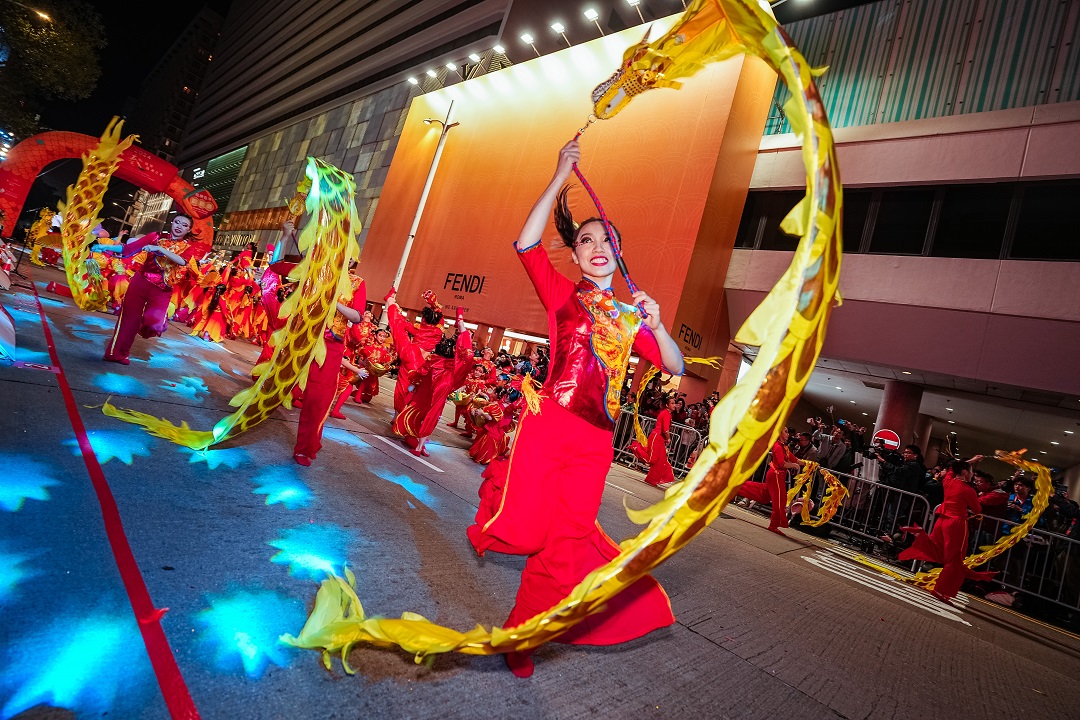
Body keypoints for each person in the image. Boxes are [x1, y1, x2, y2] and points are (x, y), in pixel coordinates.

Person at [466, 138, 684, 678]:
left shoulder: (633, 319)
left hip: (595, 444)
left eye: (606, 239)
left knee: (563, 548)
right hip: (549, 424)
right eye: (586, 240)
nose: (596, 246)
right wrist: (561, 172)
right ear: (578, 254)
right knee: (533, 528)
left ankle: (523, 634)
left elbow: (676, 367)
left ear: (618, 253)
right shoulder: (564, 295)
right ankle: (504, 496)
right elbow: (525, 242)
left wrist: (657, 325)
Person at [96, 214, 208, 364]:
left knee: (154, 323)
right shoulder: (155, 236)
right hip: (140, 282)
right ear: (172, 223)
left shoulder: (188, 247)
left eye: (184, 225)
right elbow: (129, 249)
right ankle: (117, 354)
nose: (179, 226)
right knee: (129, 321)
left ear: (188, 230)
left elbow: (182, 261)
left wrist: (159, 249)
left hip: (162, 289)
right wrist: (106, 246)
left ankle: (140, 327)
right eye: (177, 222)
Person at [898, 458, 996, 603]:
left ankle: (918, 537)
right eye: (970, 471)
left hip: (941, 521)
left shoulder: (948, 481)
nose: (972, 475)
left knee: (938, 547)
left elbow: (951, 469)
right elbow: (977, 509)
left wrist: (971, 460)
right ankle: (941, 590)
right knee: (955, 558)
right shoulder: (968, 489)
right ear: (964, 472)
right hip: (956, 524)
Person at [391, 306, 472, 456]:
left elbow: (420, 373)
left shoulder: (435, 358)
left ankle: (418, 444)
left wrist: (413, 382)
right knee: (431, 414)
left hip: (425, 379)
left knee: (426, 412)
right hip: (434, 384)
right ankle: (418, 444)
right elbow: (466, 353)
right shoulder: (447, 357)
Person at [735, 426, 802, 535]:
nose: (788, 434)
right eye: (785, 432)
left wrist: (811, 464)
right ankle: (773, 525)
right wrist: (793, 465)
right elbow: (782, 464)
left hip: (778, 476)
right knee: (779, 500)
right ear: (779, 434)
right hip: (775, 475)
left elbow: (796, 460)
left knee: (763, 494)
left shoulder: (784, 447)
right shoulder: (778, 447)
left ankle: (735, 487)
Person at [628, 392, 677, 487]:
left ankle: (652, 479)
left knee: (661, 460)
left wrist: (666, 439)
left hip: (659, 439)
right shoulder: (666, 414)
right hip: (656, 437)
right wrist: (668, 438)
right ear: (667, 405)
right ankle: (636, 447)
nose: (674, 405)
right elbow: (665, 429)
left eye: (674, 403)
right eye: (672, 403)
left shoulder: (667, 413)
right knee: (652, 459)